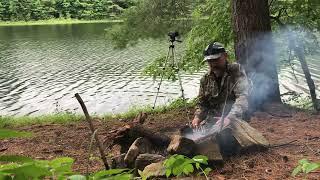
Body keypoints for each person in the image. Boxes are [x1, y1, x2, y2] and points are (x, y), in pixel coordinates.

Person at [192, 42, 250, 130]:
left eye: (216, 60)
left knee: (227, 137)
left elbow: (242, 97)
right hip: (215, 119)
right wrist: (198, 117)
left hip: (235, 116)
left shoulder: (236, 70)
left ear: (225, 56)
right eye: (209, 61)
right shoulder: (205, 79)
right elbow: (202, 103)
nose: (213, 64)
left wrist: (230, 118)